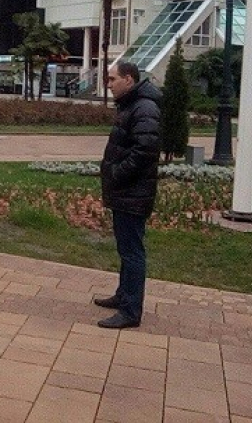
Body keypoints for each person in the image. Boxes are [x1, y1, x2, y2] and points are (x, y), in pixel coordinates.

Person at [94, 62, 162, 329]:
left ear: (129, 80)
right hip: (127, 192)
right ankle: (124, 296)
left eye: (113, 79)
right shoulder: (132, 105)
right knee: (126, 249)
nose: (108, 84)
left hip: (133, 192)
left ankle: (130, 311)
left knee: (133, 252)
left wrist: (117, 174)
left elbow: (144, 151)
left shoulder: (144, 108)